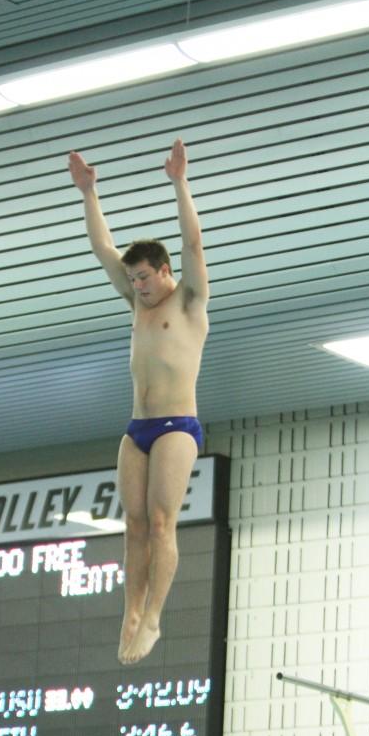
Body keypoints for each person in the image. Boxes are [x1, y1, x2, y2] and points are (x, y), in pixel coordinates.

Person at [68, 139, 209, 665]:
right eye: (133, 281)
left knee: (159, 520)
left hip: (178, 426)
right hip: (139, 427)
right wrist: (89, 193)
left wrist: (179, 183)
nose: (137, 287)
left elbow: (194, 245)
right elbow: (103, 248)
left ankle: (154, 616)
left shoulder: (189, 301)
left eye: (144, 278)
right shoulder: (136, 303)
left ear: (164, 270)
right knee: (132, 524)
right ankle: (131, 611)